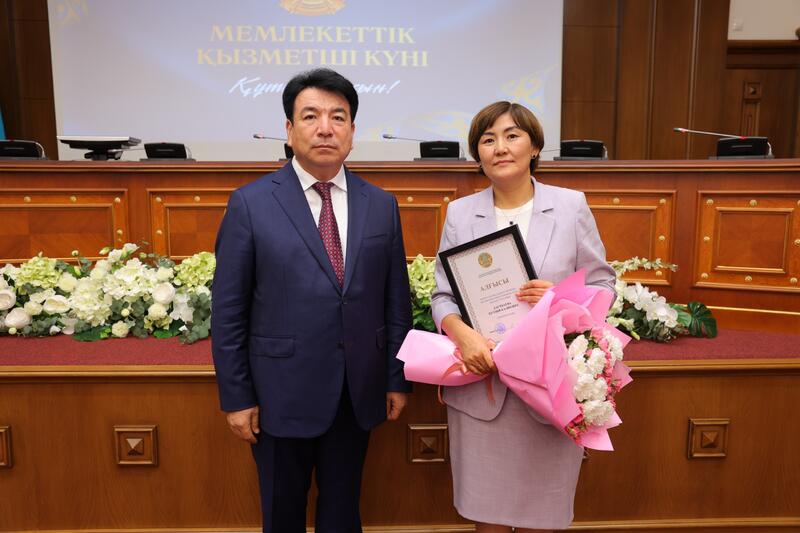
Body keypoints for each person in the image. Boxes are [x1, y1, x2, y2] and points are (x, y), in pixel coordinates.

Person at [211, 68, 412, 533]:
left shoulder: (381, 205)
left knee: (343, 514)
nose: (325, 128)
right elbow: (229, 313)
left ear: (352, 131)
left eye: (338, 117)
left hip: (356, 393)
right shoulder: (250, 204)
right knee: (282, 515)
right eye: (311, 116)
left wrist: (395, 377)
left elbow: (395, 300)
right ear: (289, 129)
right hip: (279, 394)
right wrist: (237, 397)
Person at [431, 101, 615, 533]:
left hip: (549, 392)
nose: (500, 147)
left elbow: (603, 285)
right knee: (488, 522)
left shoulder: (570, 206)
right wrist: (462, 335)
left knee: (542, 521)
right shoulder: (460, 213)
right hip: (485, 389)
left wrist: (561, 300)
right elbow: (443, 295)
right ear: (478, 155)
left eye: (512, 135)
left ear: (534, 147)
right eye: (488, 139)